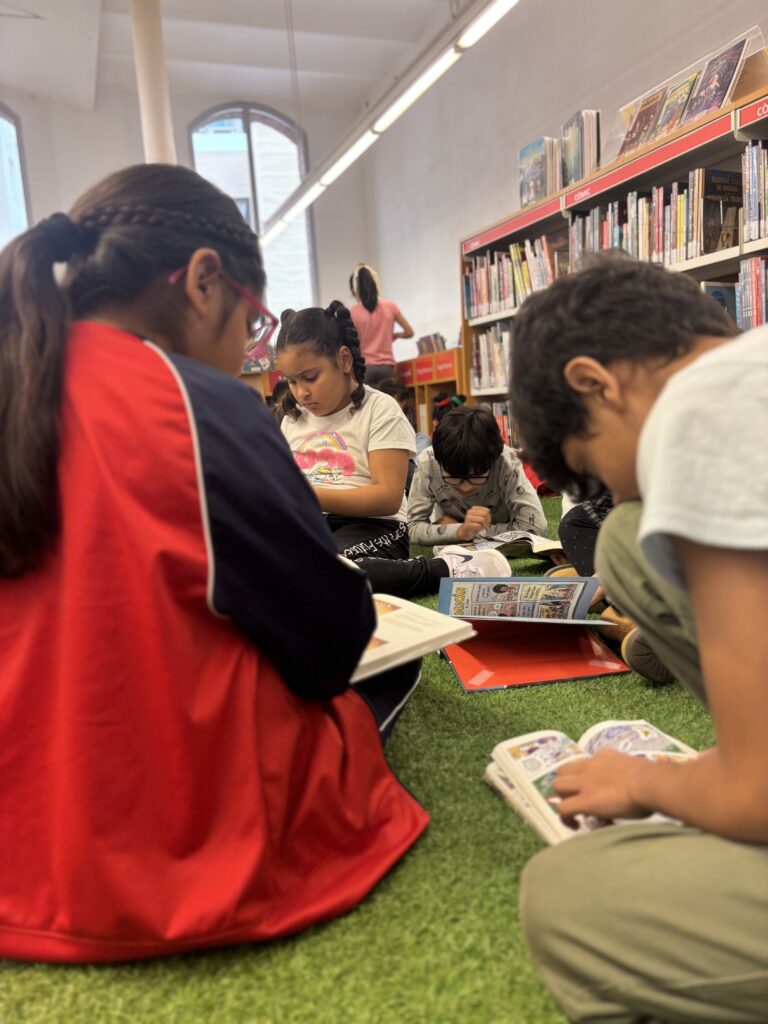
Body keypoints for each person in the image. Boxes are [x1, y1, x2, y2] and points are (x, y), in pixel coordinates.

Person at [0, 164, 429, 964]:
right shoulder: (198, 404)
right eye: (253, 322)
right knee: (389, 661)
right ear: (203, 281)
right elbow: (326, 643)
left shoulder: (17, 383)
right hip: (175, 851)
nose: (249, 352)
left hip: (17, 830)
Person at [509, 252, 768, 1022]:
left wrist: (645, 782)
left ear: (596, 382)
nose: (615, 491)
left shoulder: (697, 414)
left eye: (591, 470)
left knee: (570, 899)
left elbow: (758, 794)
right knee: (628, 538)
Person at [276, 303, 512, 597]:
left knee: (331, 572)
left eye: (311, 377)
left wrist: (306, 495)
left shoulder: (380, 409)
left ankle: (447, 568)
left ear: (344, 359)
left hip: (374, 526)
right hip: (310, 525)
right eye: (291, 381)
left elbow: (387, 499)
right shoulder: (293, 419)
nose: (301, 393)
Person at [408, 405, 547, 547]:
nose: (465, 487)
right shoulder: (428, 462)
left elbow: (535, 528)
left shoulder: (505, 462)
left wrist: (469, 532)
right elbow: (412, 527)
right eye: (453, 477)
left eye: (476, 476)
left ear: (493, 462)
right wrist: (459, 531)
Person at [349, 263, 414, 385]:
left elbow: (353, 343)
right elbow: (409, 332)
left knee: (368, 398)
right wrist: (395, 335)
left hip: (366, 367)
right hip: (387, 367)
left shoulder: (353, 312)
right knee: (387, 397)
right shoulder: (390, 306)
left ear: (356, 289)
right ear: (375, 284)